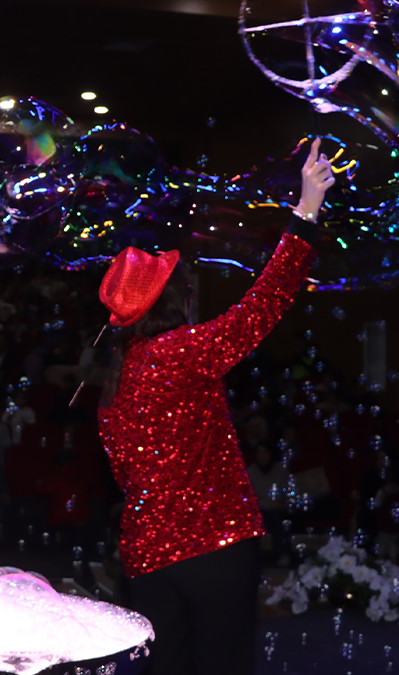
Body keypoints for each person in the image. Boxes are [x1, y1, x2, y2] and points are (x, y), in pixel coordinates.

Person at [97, 138, 332, 675]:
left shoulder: (112, 385)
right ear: (174, 299)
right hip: (213, 549)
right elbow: (264, 305)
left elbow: (125, 476)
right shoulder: (182, 352)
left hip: (146, 558)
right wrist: (306, 210)